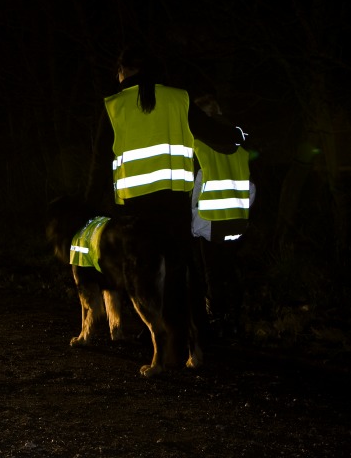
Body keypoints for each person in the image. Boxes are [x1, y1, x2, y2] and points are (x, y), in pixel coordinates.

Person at [91, 45, 248, 363]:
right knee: (183, 275)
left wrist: (88, 208)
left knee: (145, 279)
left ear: (123, 72)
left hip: (135, 212)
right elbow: (211, 131)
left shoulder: (113, 106)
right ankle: (197, 347)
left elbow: (97, 164)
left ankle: (162, 351)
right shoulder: (179, 98)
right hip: (175, 207)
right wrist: (238, 135)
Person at [190, 91, 256, 339]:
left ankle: (216, 321)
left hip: (209, 222)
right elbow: (251, 187)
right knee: (231, 270)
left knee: (212, 273)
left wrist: (194, 222)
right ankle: (235, 320)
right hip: (238, 220)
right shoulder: (240, 146)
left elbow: (196, 186)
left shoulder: (199, 146)